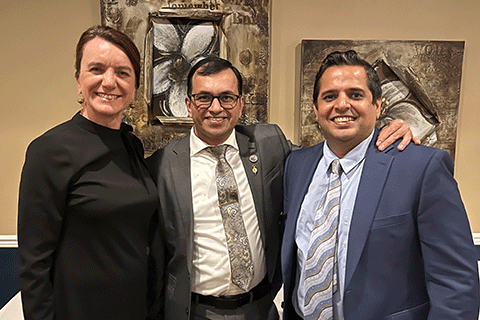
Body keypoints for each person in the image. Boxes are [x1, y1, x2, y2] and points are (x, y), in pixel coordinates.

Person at [146, 56, 415, 319]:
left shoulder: (268, 143)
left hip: (261, 308)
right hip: (195, 310)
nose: (216, 108)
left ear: (240, 105)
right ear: (188, 104)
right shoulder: (162, 166)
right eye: (204, 97)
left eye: (227, 97)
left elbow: (327, 156)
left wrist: (388, 128)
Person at [281, 50, 479, 320]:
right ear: (315, 109)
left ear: (378, 106)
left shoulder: (422, 167)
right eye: (330, 96)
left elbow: (455, 282)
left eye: (355, 95)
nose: (341, 105)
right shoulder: (297, 165)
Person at [18, 25, 163, 320]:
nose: (109, 82)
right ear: (78, 79)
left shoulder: (131, 144)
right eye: (96, 69)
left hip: (135, 310)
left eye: (123, 72)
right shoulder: (50, 150)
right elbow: (34, 263)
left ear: (135, 86)